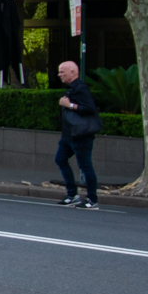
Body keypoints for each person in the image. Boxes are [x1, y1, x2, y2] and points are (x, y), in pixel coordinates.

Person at [54, 59, 102, 208]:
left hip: (81, 135)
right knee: (60, 159)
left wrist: (70, 105)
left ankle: (92, 199)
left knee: (85, 165)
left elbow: (90, 109)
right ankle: (72, 194)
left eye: (62, 72)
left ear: (73, 72)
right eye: (59, 71)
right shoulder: (71, 88)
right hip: (69, 135)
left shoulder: (81, 88)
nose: (59, 74)